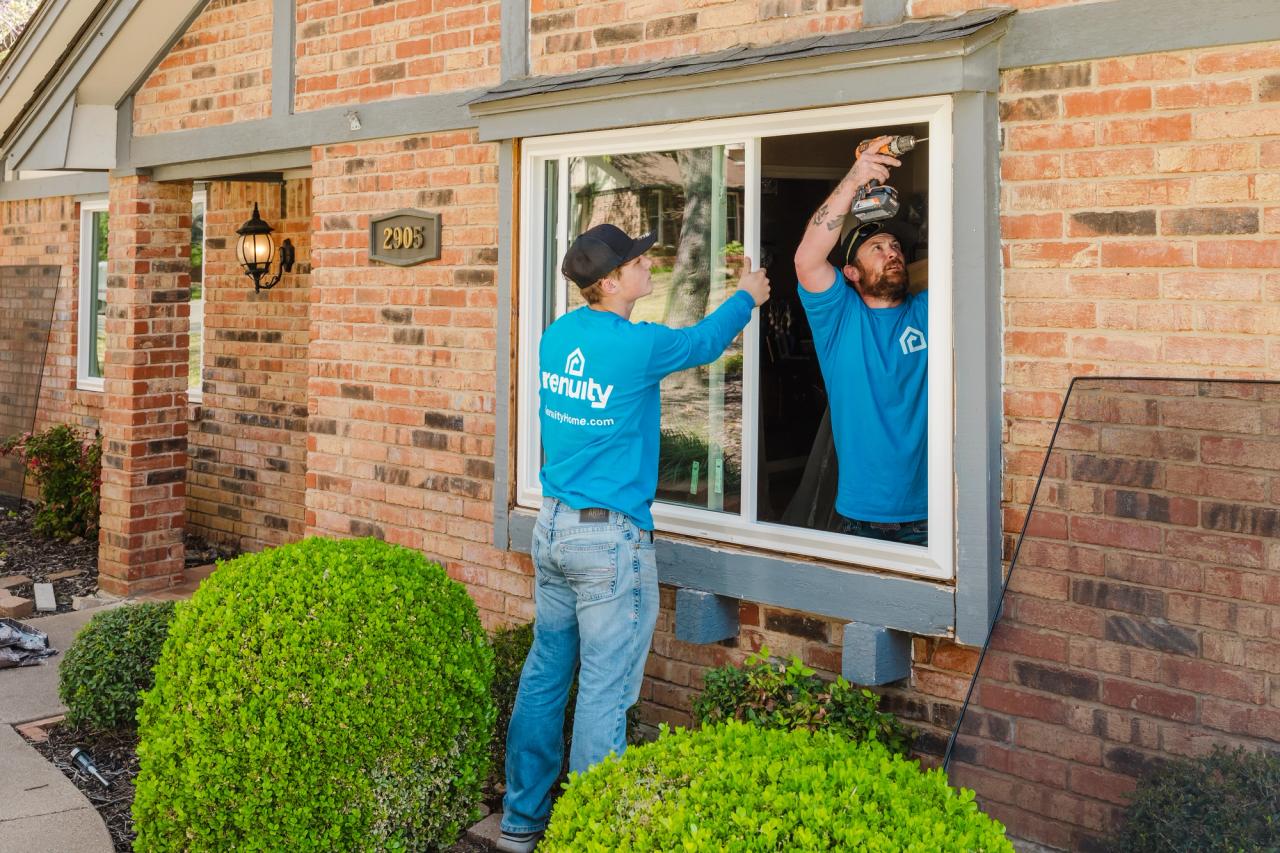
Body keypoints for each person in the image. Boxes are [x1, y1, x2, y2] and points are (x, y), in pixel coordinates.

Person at [498, 223, 770, 852]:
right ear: (612, 281)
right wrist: (748, 295)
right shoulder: (633, 347)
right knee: (603, 687)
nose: (651, 263)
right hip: (607, 542)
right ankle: (587, 836)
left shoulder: (558, 335)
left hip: (555, 528)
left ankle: (521, 821)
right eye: (638, 260)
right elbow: (704, 344)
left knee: (545, 672)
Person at [792, 137, 928, 546]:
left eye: (896, 247)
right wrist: (856, 178)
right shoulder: (839, 318)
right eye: (877, 248)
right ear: (851, 272)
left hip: (932, 510)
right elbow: (807, 259)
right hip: (861, 515)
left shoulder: (925, 311)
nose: (892, 253)